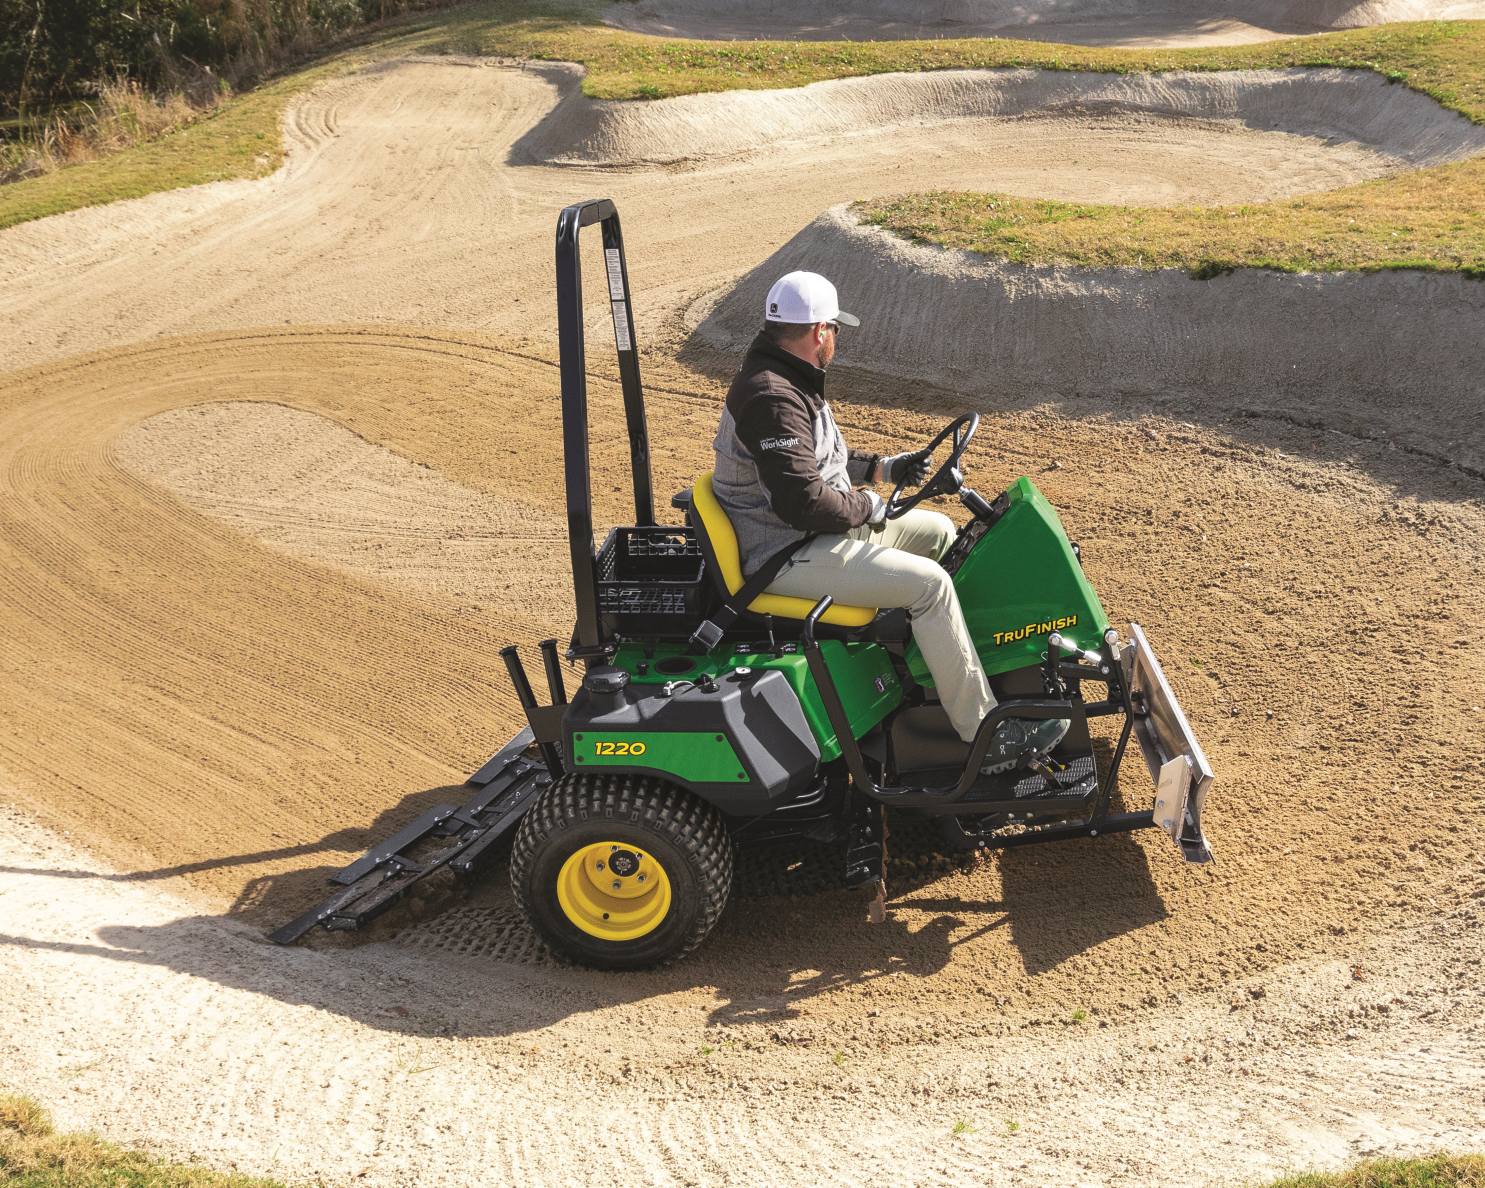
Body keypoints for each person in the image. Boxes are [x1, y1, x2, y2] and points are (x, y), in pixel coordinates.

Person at [711, 270, 1067, 770]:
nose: (836, 338)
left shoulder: (786, 375)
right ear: (819, 331)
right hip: (783, 553)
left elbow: (815, 460)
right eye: (835, 329)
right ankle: (985, 735)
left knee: (940, 533)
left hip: (807, 529)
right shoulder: (771, 396)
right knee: (931, 586)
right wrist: (869, 505)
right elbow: (803, 503)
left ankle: (949, 668)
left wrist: (883, 468)